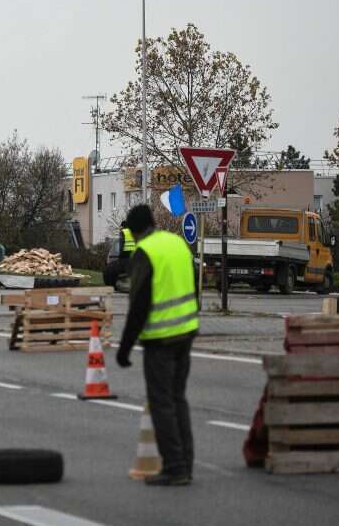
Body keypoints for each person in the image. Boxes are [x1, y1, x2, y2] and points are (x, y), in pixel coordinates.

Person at [116, 204, 198, 486]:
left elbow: (139, 304)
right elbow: (193, 285)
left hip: (161, 340)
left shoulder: (145, 252)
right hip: (186, 332)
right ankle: (186, 463)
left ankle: (175, 468)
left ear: (135, 230)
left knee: (162, 403)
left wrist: (124, 348)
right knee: (178, 399)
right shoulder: (177, 244)